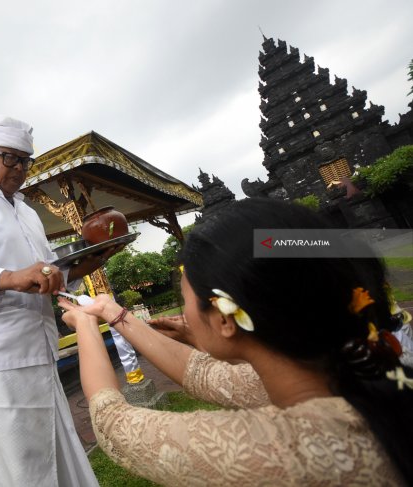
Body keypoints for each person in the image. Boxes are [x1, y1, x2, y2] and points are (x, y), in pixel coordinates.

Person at [59, 198, 413, 486]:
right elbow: (203, 374)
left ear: (226, 319)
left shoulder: (282, 451)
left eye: (187, 297)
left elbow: (113, 422)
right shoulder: (355, 372)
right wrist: (113, 313)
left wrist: (86, 325)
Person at [0, 115, 115, 486]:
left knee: (49, 447)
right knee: (18, 462)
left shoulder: (28, 213)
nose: (18, 168)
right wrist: (10, 277)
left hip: (37, 347)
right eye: (9, 158)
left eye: (25, 161)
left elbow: (45, 275)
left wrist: (83, 265)